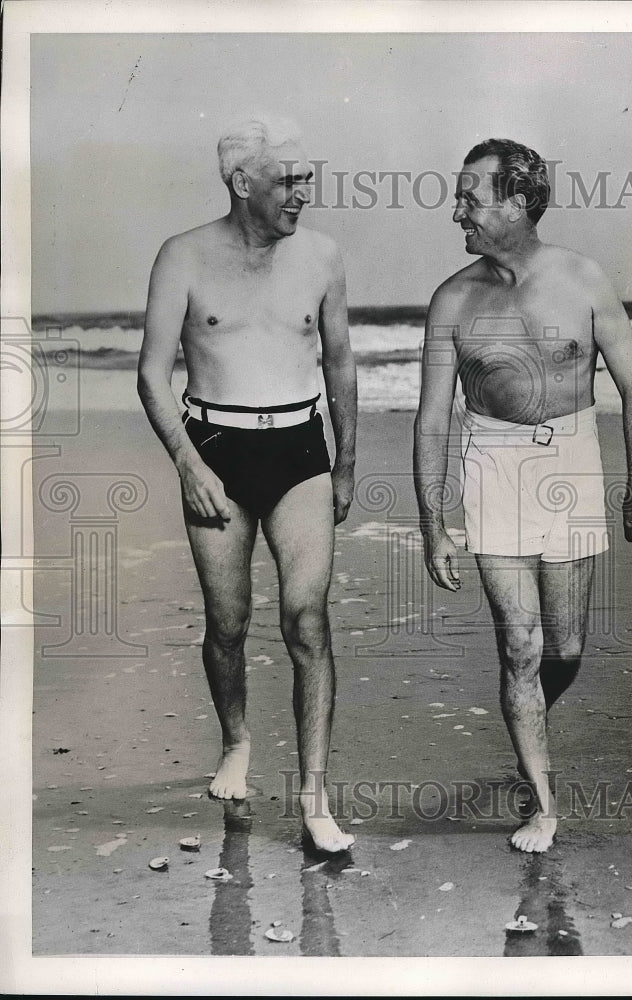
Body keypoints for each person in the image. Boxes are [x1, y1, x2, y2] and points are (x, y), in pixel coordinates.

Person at [414, 138, 632, 853]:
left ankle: (529, 727)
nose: (455, 209)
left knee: (568, 648)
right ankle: (543, 804)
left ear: (517, 202)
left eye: (470, 195)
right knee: (520, 647)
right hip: (494, 464)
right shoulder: (453, 300)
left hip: (573, 460)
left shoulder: (582, 279)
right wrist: (435, 522)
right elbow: (432, 419)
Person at [138, 115, 357, 854]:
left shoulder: (322, 256)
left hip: (299, 450)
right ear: (242, 183)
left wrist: (347, 460)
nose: (305, 192)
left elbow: (341, 366)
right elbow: (152, 373)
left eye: (306, 176)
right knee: (227, 624)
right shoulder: (184, 256)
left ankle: (314, 798)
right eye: (289, 180)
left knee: (307, 620)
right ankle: (236, 742)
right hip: (215, 450)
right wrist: (189, 464)